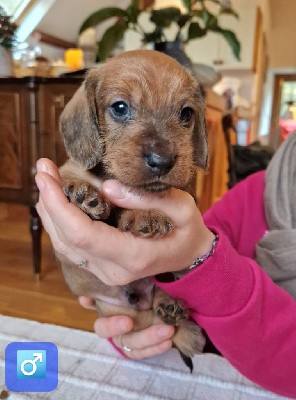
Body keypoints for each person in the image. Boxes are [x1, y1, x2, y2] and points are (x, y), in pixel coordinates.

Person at [35, 132, 296, 398]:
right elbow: (176, 272)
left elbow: (201, 260)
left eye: (183, 115)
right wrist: (131, 326)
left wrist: (198, 259)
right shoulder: (263, 188)